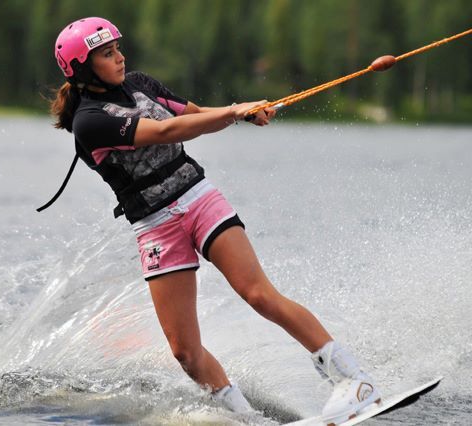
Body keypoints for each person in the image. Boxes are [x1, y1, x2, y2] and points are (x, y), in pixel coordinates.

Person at [45, 17, 381, 425]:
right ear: (82, 69)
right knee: (185, 353)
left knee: (258, 294)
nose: (120, 57)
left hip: (197, 199)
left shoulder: (141, 83)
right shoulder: (90, 121)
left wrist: (243, 113)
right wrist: (234, 109)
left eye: (118, 48)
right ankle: (245, 419)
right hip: (155, 227)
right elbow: (167, 130)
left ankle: (352, 381)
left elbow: (194, 114)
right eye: (107, 53)